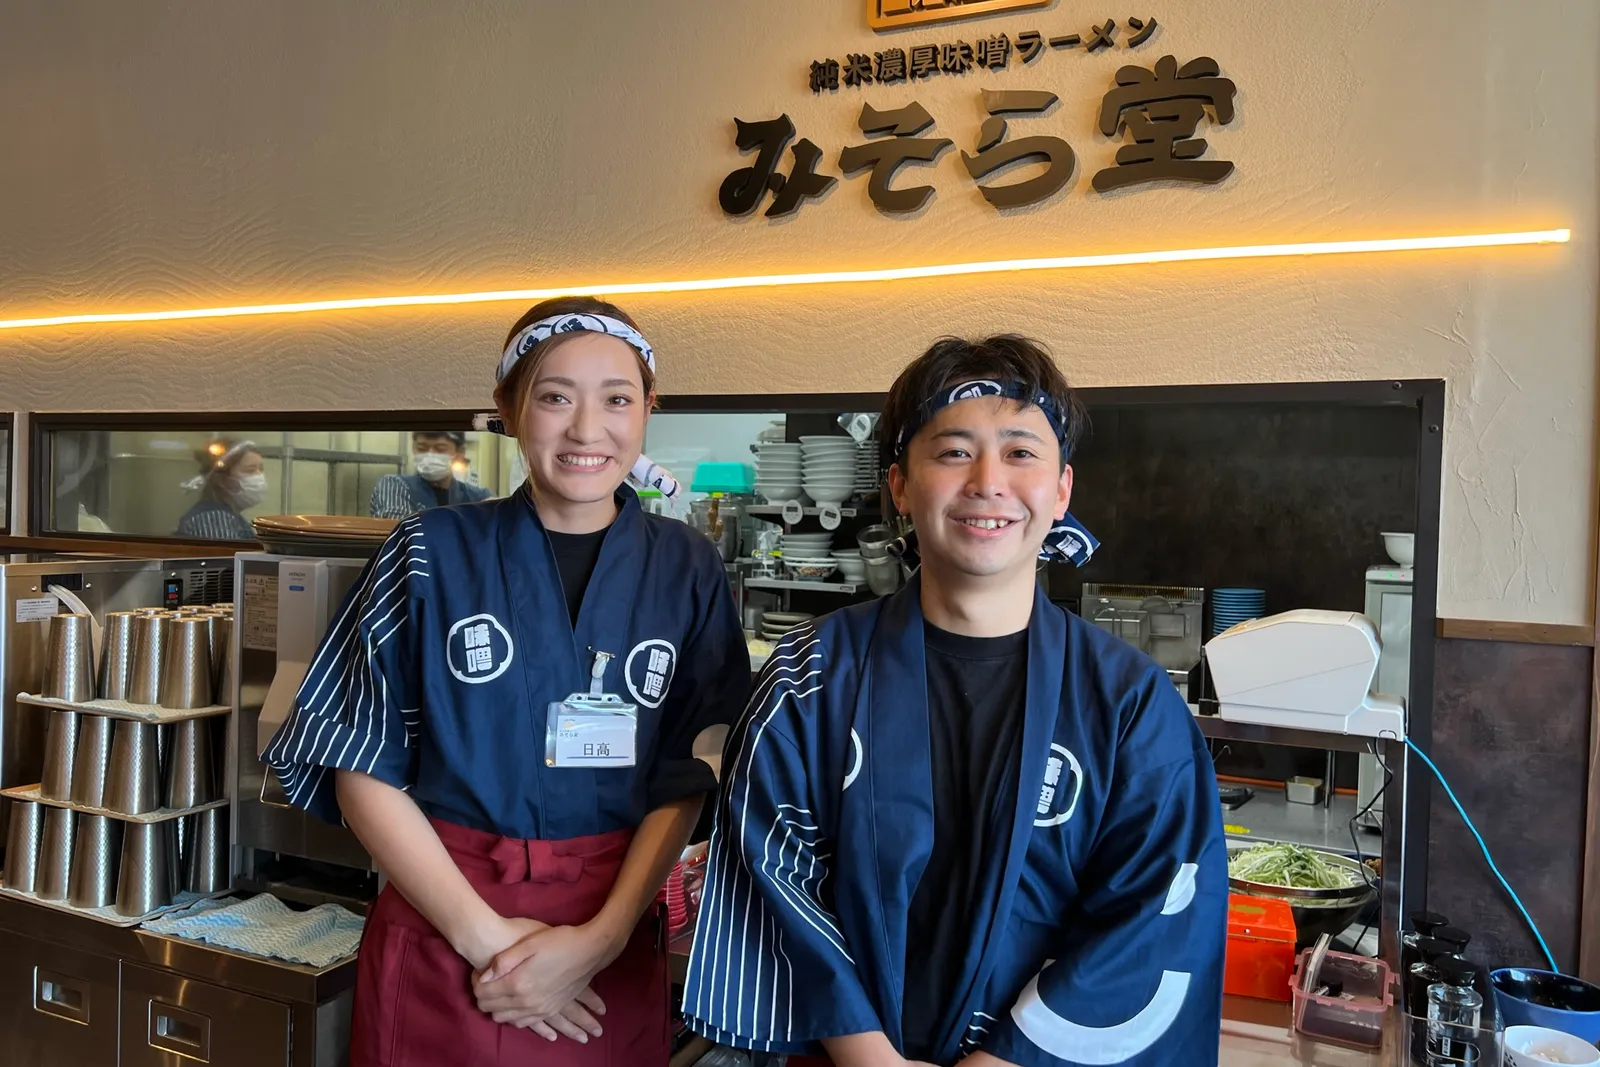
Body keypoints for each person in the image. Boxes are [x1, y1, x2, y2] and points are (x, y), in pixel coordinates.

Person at [683, 336, 1227, 1067]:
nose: (987, 481)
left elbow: (1153, 916)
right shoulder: (808, 677)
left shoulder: (1128, 702)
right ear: (900, 485)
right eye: (952, 451)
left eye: (1020, 452)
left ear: (1062, 489)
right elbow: (773, 876)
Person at [262, 297, 751, 1065]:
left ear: (648, 409)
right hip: (446, 927)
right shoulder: (427, 551)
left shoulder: (686, 566)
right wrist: (487, 940)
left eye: (618, 399)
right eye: (555, 397)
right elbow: (359, 761)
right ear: (509, 409)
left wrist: (601, 939)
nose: (588, 430)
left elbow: (687, 772)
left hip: (609, 941)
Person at [369, 430, 493, 518]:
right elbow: (403, 533)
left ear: (460, 453)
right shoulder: (393, 486)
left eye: (440, 449)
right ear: (413, 448)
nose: (430, 455)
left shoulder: (477, 497)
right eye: (422, 448)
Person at [176, 438, 267, 540]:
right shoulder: (212, 519)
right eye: (250, 470)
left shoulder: (229, 516)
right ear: (222, 479)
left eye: (261, 469)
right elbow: (228, 555)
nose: (259, 476)